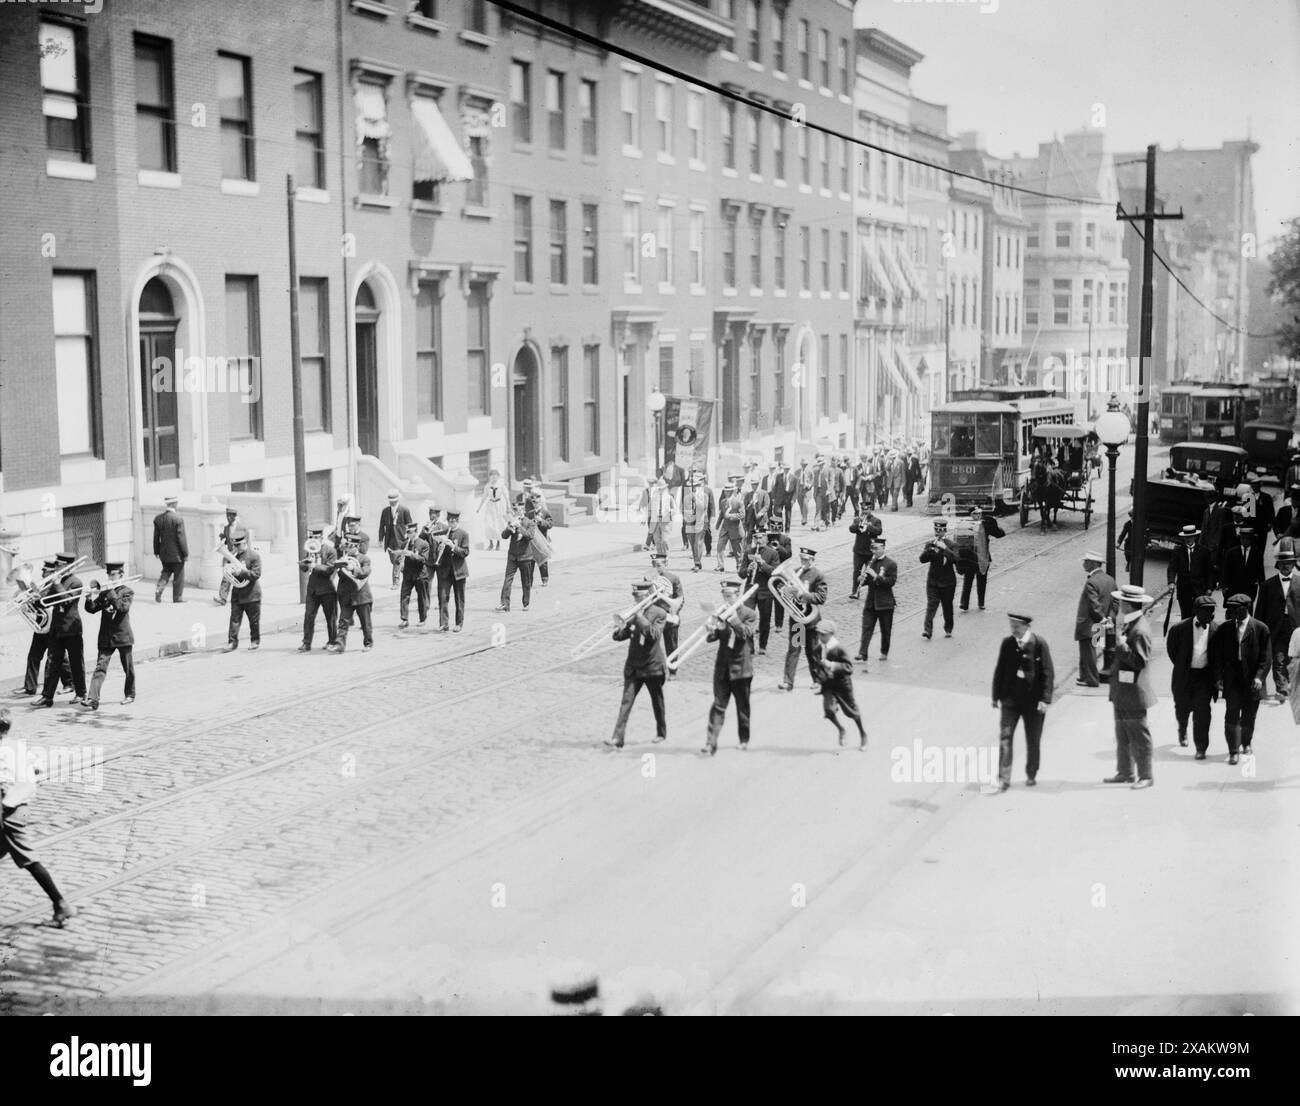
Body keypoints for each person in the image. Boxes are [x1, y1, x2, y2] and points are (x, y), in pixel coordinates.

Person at [0, 708, 75, 927]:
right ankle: (60, 905)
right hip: (18, 808)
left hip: (7, 812)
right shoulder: (16, 747)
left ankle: (61, 903)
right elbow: (38, 767)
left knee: (29, 860)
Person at [990, 612, 1054, 790]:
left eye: (1016, 627)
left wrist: (1045, 699)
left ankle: (1031, 773)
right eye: (1011, 626)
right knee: (1005, 737)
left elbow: (1048, 673)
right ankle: (1004, 778)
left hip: (1033, 702)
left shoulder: (1039, 644)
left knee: (1033, 739)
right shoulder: (1008, 643)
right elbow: (1000, 670)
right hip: (1010, 701)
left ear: (1026, 626)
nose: (1013, 630)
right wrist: (995, 696)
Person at [1104, 584, 1159, 788]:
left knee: (1138, 735)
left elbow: (1139, 661)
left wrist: (1120, 644)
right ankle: (1125, 772)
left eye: (1121, 602)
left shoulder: (1140, 629)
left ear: (1128, 604)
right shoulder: (1130, 623)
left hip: (1134, 693)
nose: (1118, 605)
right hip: (1123, 691)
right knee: (1123, 734)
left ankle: (1146, 776)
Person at [605, 580, 668, 749]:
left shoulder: (660, 613)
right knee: (626, 702)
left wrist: (639, 618)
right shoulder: (634, 613)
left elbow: (653, 635)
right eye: (635, 597)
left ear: (648, 596)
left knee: (657, 701)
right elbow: (619, 636)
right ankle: (618, 738)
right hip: (634, 666)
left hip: (653, 666)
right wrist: (619, 628)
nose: (636, 601)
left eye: (639, 597)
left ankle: (661, 731)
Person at [701, 577, 758, 755]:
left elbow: (747, 634)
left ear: (738, 595)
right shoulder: (720, 613)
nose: (726, 600)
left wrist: (734, 621)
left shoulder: (749, 613)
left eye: (729, 596)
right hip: (723, 667)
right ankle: (711, 742)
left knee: (742, 707)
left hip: (741, 668)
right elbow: (713, 638)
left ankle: (744, 739)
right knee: (718, 705)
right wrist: (710, 631)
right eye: (724, 596)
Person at [1213, 593, 1270, 763]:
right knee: (1231, 714)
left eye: (1235, 609)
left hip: (1252, 680)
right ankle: (1233, 750)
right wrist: (1218, 677)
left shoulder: (1260, 629)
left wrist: (1259, 678)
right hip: (1232, 678)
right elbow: (1217, 656)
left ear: (1246, 608)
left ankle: (1246, 743)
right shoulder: (1224, 629)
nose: (1231, 612)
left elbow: (1266, 658)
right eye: (1230, 609)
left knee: (1249, 714)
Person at [1166, 595, 1218, 758]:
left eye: (1212, 611)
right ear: (1196, 611)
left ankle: (1201, 748)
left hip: (1204, 677)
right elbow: (1172, 651)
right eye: (1207, 611)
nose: (1211, 614)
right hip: (1184, 676)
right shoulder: (1179, 629)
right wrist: (1183, 665)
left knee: (1202, 712)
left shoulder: (1217, 630)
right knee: (1182, 707)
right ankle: (1182, 729)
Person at [37, 552, 87, 708]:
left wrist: (57, 583)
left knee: (76, 663)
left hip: (71, 628)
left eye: (59, 565)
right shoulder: (57, 581)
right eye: (56, 565)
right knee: (52, 663)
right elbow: (46, 602)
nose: (56, 568)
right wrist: (36, 592)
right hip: (56, 628)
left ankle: (81, 693)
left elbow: (67, 602)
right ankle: (47, 697)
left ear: (67, 566)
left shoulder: (76, 582)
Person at [83, 563, 135, 710]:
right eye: (109, 575)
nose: (110, 577)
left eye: (114, 575)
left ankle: (130, 694)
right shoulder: (105, 592)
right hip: (106, 637)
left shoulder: (128, 592)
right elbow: (92, 609)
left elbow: (121, 608)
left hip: (122, 636)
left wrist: (111, 591)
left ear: (121, 575)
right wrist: (88, 599)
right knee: (100, 667)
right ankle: (93, 698)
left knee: (128, 667)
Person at [777, 547, 828, 691]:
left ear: (812, 560)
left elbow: (821, 598)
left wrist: (803, 596)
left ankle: (817, 680)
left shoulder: (818, 575)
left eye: (806, 559)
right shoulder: (795, 574)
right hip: (797, 619)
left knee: (813, 651)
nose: (803, 562)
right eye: (802, 559)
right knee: (793, 650)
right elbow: (787, 594)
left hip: (811, 620)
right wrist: (785, 590)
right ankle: (788, 681)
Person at [811, 619, 867, 749]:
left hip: (842, 685)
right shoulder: (818, 649)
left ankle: (863, 734)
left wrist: (832, 665)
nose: (820, 637)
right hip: (828, 685)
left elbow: (849, 668)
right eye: (819, 634)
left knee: (851, 711)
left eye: (823, 635)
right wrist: (819, 681)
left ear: (831, 634)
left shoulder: (839, 649)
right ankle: (841, 729)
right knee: (829, 710)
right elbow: (816, 667)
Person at [1255, 549, 1300, 702]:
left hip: (1296, 628)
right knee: (1278, 658)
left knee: (1294, 659)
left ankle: (1291, 686)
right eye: (1282, 563)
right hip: (1275, 627)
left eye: (1288, 563)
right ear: (1277, 565)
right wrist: (1258, 629)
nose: (1285, 566)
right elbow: (1260, 610)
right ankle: (1282, 689)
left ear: (1294, 564)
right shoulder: (1267, 585)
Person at [1074, 551, 1116, 688]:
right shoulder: (1110, 580)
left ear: (1093, 563)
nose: (1084, 564)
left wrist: (1102, 618)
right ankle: (1083, 675)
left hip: (1089, 623)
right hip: (1101, 623)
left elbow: (1093, 605)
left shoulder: (1091, 582)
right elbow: (1115, 602)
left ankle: (1091, 679)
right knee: (1089, 649)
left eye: (1086, 561)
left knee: (1088, 650)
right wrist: (1109, 617)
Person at [856, 537, 896, 669]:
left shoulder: (891, 564)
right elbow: (867, 581)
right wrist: (861, 579)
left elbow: (890, 582)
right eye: (873, 548)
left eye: (877, 548)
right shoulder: (870, 562)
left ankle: (884, 651)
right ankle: (863, 653)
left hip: (885, 603)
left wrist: (875, 576)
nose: (874, 551)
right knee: (866, 628)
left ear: (883, 548)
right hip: (871, 602)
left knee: (886, 630)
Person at [299, 526, 341, 652]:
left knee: (331, 617)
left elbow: (329, 570)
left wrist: (315, 565)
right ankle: (306, 643)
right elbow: (305, 569)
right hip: (312, 589)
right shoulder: (310, 550)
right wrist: (304, 564)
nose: (314, 540)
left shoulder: (330, 551)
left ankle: (332, 641)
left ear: (322, 538)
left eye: (316, 537)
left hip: (327, 589)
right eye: (311, 537)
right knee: (308, 617)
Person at [335, 525, 374, 653]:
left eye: (350, 547)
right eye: (347, 546)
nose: (348, 549)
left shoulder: (364, 559)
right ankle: (340, 644)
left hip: (361, 596)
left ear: (356, 546)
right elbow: (340, 576)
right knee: (343, 621)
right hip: (347, 596)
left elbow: (365, 572)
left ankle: (368, 643)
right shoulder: (343, 559)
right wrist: (341, 566)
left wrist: (353, 569)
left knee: (365, 622)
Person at [958, 506, 1005, 612]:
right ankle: (964, 603)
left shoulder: (986, 524)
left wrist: (995, 524)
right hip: (970, 558)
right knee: (968, 581)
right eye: (975, 514)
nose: (978, 515)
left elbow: (999, 534)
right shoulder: (965, 525)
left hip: (983, 556)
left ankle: (981, 603)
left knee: (982, 580)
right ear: (971, 515)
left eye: (979, 513)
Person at [495, 502, 538, 612]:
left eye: (519, 510)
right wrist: (509, 528)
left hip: (525, 557)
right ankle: (504, 603)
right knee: (507, 579)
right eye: (515, 510)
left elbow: (530, 536)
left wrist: (519, 527)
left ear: (523, 511)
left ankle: (526, 603)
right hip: (513, 556)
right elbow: (503, 536)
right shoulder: (513, 521)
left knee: (526, 581)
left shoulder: (530, 523)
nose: (517, 512)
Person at [223, 530, 262, 651]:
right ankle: (232, 643)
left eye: (238, 545)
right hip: (238, 594)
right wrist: (229, 570)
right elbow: (228, 576)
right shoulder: (233, 557)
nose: (236, 548)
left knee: (253, 621)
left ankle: (254, 641)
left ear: (245, 542)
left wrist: (241, 572)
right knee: (234, 619)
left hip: (252, 594)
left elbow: (256, 574)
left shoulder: (254, 556)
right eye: (234, 545)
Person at [920, 519, 958, 640]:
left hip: (948, 582)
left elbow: (956, 559)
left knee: (947, 606)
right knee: (931, 605)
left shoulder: (951, 544)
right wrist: (930, 549)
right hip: (933, 581)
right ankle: (927, 630)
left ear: (945, 531)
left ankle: (948, 628)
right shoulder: (930, 544)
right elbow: (922, 559)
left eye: (941, 531)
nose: (938, 533)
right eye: (936, 530)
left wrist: (945, 548)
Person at [1166, 524, 1214, 620]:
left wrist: (1209, 587)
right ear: (1184, 538)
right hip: (1184, 589)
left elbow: (1209, 571)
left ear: (1195, 537)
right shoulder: (1178, 551)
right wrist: (1171, 582)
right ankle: (1186, 633)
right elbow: (1172, 567)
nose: (1188, 539)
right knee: (1185, 615)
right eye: (1186, 537)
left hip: (1199, 589)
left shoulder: (1204, 551)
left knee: (1199, 614)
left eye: (1191, 537)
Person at [435, 508, 470, 633]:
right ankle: (444, 624)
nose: (451, 524)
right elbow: (436, 551)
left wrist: (453, 547)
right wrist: (440, 546)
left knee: (459, 598)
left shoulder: (463, 534)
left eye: (453, 522)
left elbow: (465, 552)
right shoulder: (444, 532)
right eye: (449, 521)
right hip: (445, 570)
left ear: (457, 521)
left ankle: (459, 623)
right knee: (443, 597)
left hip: (459, 571)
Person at [648, 552, 684, 667]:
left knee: (671, 646)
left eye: (659, 565)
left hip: (669, 616)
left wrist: (674, 611)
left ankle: (673, 669)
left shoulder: (674, 578)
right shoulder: (648, 578)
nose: (656, 568)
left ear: (666, 564)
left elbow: (680, 599)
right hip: (654, 618)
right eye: (654, 565)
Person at [1218, 522, 1265, 607]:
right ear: (1240, 539)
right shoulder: (1231, 552)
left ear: (1252, 539)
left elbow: (1260, 572)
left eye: (1248, 539)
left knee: (1247, 610)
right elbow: (1226, 570)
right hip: (1233, 587)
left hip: (1249, 588)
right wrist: (1224, 586)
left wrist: (1263, 587)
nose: (1245, 541)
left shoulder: (1257, 553)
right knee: (1233, 610)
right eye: (1243, 538)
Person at [152, 494, 188, 603]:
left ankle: (159, 588)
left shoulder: (158, 519)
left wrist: (156, 551)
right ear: (174, 504)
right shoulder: (178, 519)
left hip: (164, 553)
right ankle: (177, 598)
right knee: (179, 575)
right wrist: (185, 553)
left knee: (166, 572)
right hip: (177, 555)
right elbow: (181, 538)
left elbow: (156, 537)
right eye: (177, 503)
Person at [396, 521, 430, 628]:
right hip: (408, 574)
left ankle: (422, 619)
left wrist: (412, 554)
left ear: (416, 532)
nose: (409, 534)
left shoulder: (423, 544)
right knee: (404, 596)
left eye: (411, 532)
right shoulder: (404, 544)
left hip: (420, 574)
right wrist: (399, 558)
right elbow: (398, 559)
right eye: (408, 532)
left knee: (421, 597)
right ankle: (404, 619)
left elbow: (424, 559)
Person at [378, 490, 413, 588]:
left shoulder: (404, 510)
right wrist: (381, 539)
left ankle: (395, 583)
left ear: (398, 500)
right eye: (390, 501)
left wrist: (409, 536)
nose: (392, 502)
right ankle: (406, 572)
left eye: (394, 501)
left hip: (401, 539)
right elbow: (381, 526)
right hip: (390, 540)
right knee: (394, 561)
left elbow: (410, 525)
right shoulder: (385, 511)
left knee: (397, 561)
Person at [847, 506, 883, 601]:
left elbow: (879, 531)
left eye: (866, 510)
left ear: (870, 510)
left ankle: (873, 592)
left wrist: (868, 526)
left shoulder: (876, 520)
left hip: (870, 552)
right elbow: (851, 529)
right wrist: (859, 523)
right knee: (856, 572)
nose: (865, 511)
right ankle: (855, 591)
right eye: (863, 509)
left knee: (870, 573)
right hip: (858, 551)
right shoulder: (858, 519)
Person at [214, 505, 245, 606]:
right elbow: (227, 542)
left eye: (230, 516)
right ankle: (222, 598)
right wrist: (223, 537)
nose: (228, 518)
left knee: (241, 578)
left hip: (240, 555)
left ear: (235, 516)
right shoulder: (226, 528)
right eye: (227, 516)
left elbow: (244, 543)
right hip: (230, 555)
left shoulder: (240, 527)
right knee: (226, 576)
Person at [681, 474, 710, 573]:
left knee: (698, 543)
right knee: (692, 543)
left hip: (700, 522)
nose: (694, 488)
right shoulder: (686, 497)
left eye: (697, 485)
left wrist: (695, 499)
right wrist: (687, 517)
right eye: (693, 486)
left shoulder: (704, 496)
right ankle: (696, 561)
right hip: (689, 523)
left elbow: (703, 507)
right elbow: (683, 509)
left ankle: (697, 563)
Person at [714, 478, 745, 572]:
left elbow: (742, 515)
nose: (727, 493)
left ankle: (739, 565)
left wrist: (731, 516)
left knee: (737, 550)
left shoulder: (738, 502)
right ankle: (720, 566)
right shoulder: (723, 502)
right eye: (726, 491)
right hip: (725, 528)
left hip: (735, 529)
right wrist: (717, 524)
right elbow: (721, 514)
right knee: (720, 547)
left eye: (729, 491)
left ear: (732, 491)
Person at [477, 471, 510, 552]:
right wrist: (479, 508)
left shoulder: (501, 485)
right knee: (488, 524)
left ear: (498, 477)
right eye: (492, 476)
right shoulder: (488, 486)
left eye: (495, 476)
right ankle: (491, 543)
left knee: (499, 524)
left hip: (499, 506)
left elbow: (506, 496)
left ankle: (498, 543)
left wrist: (508, 507)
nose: (493, 478)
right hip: (490, 505)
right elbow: (484, 497)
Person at [796, 459, 814, 527]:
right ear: (801, 465)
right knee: (801, 504)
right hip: (799, 489)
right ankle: (803, 516)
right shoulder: (797, 472)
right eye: (803, 465)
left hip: (807, 490)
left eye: (805, 465)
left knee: (805, 504)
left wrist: (809, 484)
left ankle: (805, 518)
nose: (804, 466)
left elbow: (813, 480)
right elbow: (794, 480)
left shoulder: (810, 472)